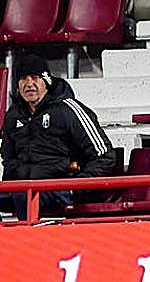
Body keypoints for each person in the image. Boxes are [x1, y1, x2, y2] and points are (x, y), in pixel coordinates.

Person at [0, 55, 117, 220]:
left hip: (60, 187)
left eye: (35, 78)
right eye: (23, 79)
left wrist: (76, 186)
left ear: (46, 80)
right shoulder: (13, 115)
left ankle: (29, 241)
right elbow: (8, 158)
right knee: (20, 194)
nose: (29, 84)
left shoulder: (68, 109)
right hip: (24, 186)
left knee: (23, 196)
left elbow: (105, 156)